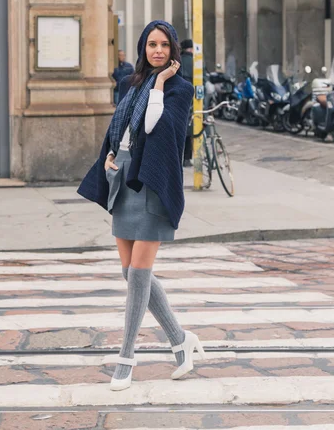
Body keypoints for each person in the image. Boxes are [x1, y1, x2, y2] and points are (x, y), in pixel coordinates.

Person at [78, 20, 205, 391]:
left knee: (138, 276)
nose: (158, 51)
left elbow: (155, 128)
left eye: (164, 45)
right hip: (123, 179)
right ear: (143, 48)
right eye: (152, 44)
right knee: (132, 274)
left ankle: (126, 358)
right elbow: (120, 129)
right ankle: (181, 341)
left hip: (152, 181)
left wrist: (162, 85)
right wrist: (109, 155)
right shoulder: (130, 84)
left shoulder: (180, 90)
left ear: (174, 50)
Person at [180, 39, 194, 167]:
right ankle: (187, 158)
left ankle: (179, 157)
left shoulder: (177, 61)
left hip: (178, 99)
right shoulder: (197, 61)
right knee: (190, 129)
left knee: (179, 129)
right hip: (192, 100)